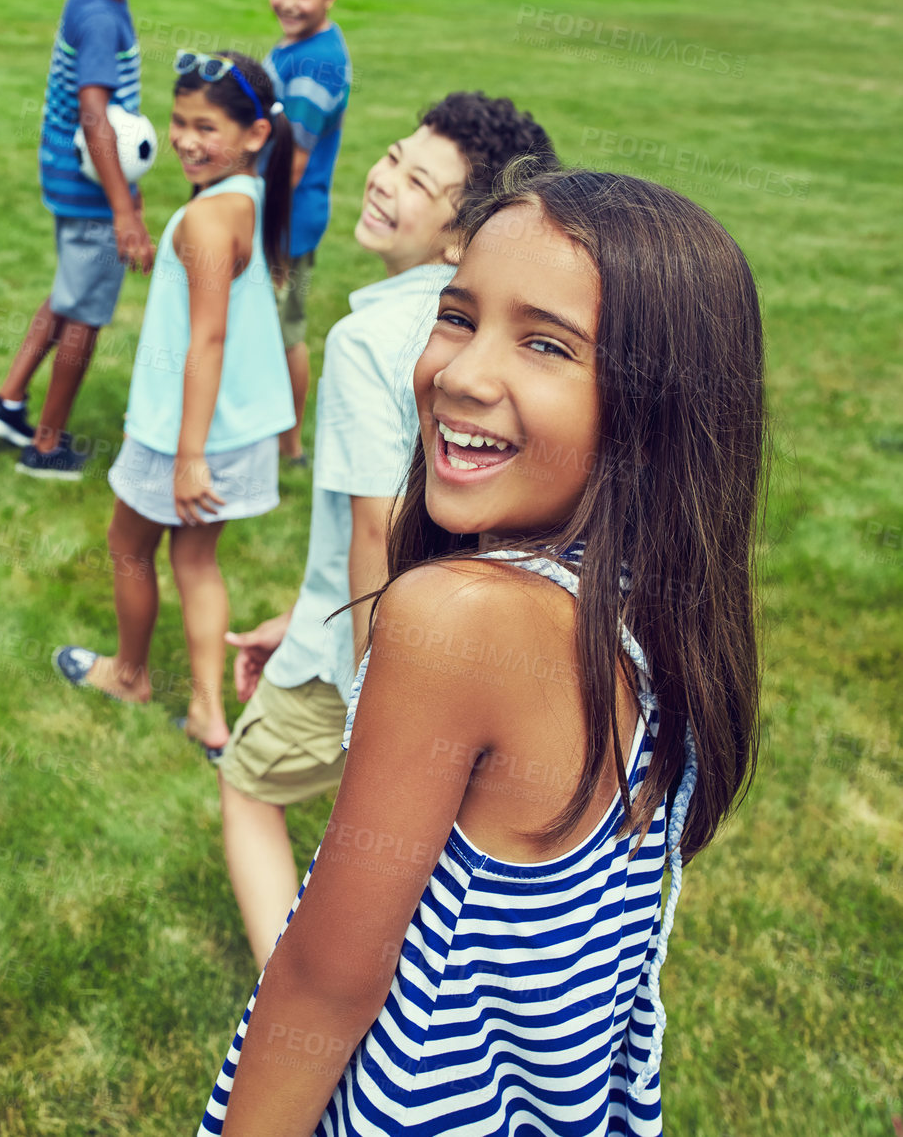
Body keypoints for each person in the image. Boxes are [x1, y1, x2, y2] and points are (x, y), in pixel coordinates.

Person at [199, 166, 765, 1135]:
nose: (459, 372)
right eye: (455, 315)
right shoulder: (661, 614)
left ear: (656, 408)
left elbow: (323, 984)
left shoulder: (453, 622)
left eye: (545, 342)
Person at [218, 92, 556, 965]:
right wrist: (302, 614)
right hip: (465, 642)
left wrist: (375, 702)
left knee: (248, 788)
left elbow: (377, 527)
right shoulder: (496, 335)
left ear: (459, 238)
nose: (384, 178)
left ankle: (283, 990)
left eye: (418, 180)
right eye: (394, 155)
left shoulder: (371, 340)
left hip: (368, 652)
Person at [53, 51, 295, 756]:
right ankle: (207, 716)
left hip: (183, 433)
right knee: (196, 562)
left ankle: (130, 675)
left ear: (253, 134)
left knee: (128, 546)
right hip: (239, 426)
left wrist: (188, 457)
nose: (186, 139)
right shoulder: (249, 192)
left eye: (206, 127)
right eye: (179, 122)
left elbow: (208, 341)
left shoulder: (209, 220)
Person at [0, 0, 156, 480]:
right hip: (91, 191)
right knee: (85, 315)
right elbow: (94, 115)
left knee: (68, 295)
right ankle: (46, 444)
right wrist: (123, 211)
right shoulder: (99, 14)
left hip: (76, 181)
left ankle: (8, 401)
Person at [263, 0, 350, 467]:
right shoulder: (300, 44)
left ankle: (290, 447)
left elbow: (292, 162)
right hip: (284, 217)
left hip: (287, 222)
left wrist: (268, 236)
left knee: (286, 331)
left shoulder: (317, 63)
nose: (289, 2)